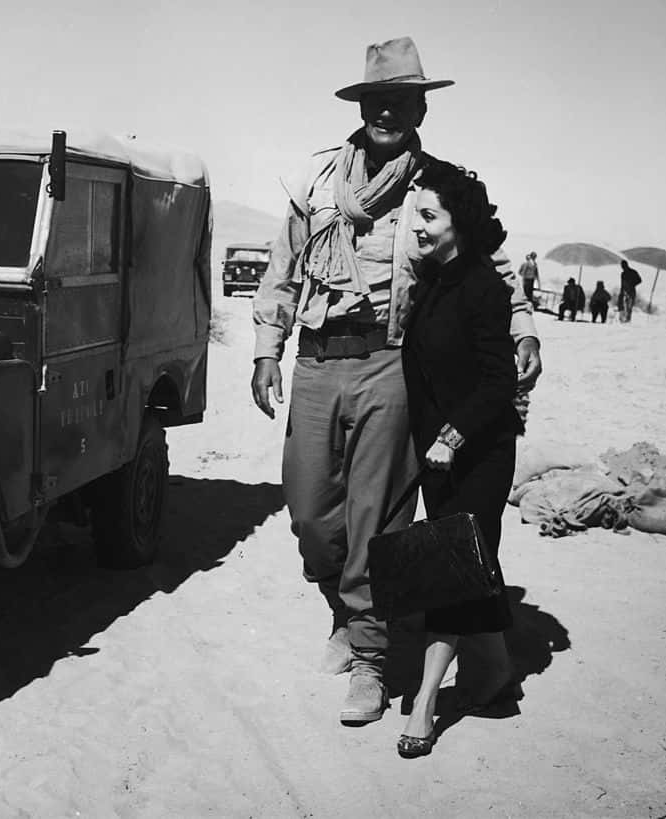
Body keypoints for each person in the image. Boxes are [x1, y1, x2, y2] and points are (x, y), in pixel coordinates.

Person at [250, 36, 542, 726]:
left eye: (399, 101)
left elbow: (494, 260)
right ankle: (348, 614)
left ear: (419, 108)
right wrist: (267, 347)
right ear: (361, 105)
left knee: (375, 519)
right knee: (311, 518)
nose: (385, 112)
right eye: (375, 100)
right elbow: (282, 270)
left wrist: (525, 327)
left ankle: (373, 664)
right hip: (317, 361)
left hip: (389, 362)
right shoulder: (321, 181)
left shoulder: (439, 187)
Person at [397, 158, 525, 758]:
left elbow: (500, 381)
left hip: (480, 454)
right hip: (438, 456)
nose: (416, 226)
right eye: (413, 215)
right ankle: (496, 674)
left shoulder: (480, 287)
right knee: (472, 564)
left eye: (428, 215)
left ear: (458, 223)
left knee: (452, 569)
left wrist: (452, 437)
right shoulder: (430, 285)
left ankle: (425, 705)